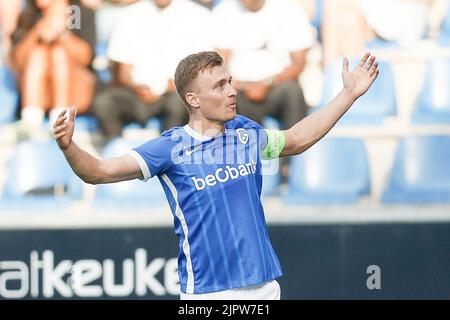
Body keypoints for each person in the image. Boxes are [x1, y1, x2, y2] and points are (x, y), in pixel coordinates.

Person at [53, 50, 379, 299]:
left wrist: (348, 94)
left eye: (230, 82)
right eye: (219, 86)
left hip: (264, 285)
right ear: (192, 99)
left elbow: (296, 139)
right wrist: (70, 147)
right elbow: (97, 172)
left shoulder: (245, 133)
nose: (231, 91)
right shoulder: (169, 148)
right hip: (210, 293)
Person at [91, 0, 212, 141]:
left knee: (181, 103)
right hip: (137, 93)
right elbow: (123, 73)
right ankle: (115, 153)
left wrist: (175, 85)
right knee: (104, 102)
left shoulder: (199, 16)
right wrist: (135, 87)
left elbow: (202, 68)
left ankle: (169, 154)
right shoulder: (129, 15)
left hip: (176, 91)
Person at [212, 0, 314, 130]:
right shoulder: (223, 11)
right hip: (239, 88)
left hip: (277, 85)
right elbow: (220, 62)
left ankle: (295, 147)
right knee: (227, 99)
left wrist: (266, 83)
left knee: (293, 92)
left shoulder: (290, 9)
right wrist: (235, 83)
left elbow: (298, 64)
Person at [11, 0, 96, 138]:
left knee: (58, 53)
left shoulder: (80, 13)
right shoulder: (28, 15)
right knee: (38, 53)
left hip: (76, 92)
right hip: (40, 94)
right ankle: (31, 119)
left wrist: (62, 34)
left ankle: (59, 116)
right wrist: (39, 30)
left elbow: (86, 58)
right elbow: (19, 60)